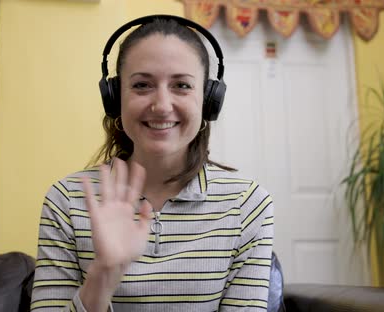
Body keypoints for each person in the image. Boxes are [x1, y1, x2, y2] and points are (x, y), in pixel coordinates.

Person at [30, 15, 274, 312]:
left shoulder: (248, 205)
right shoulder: (66, 201)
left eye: (182, 85)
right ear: (114, 97)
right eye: (142, 85)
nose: (161, 105)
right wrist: (104, 274)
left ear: (209, 101)